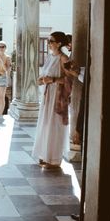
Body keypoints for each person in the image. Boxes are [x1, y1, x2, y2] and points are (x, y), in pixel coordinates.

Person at [32, 31, 72, 169]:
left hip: (58, 96)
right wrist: (42, 80)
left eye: (51, 41)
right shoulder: (50, 57)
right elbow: (46, 75)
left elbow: (70, 80)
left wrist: (53, 80)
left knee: (55, 126)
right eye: (48, 41)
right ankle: (45, 155)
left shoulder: (64, 59)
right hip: (47, 96)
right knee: (46, 124)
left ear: (59, 43)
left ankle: (54, 159)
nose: (48, 43)